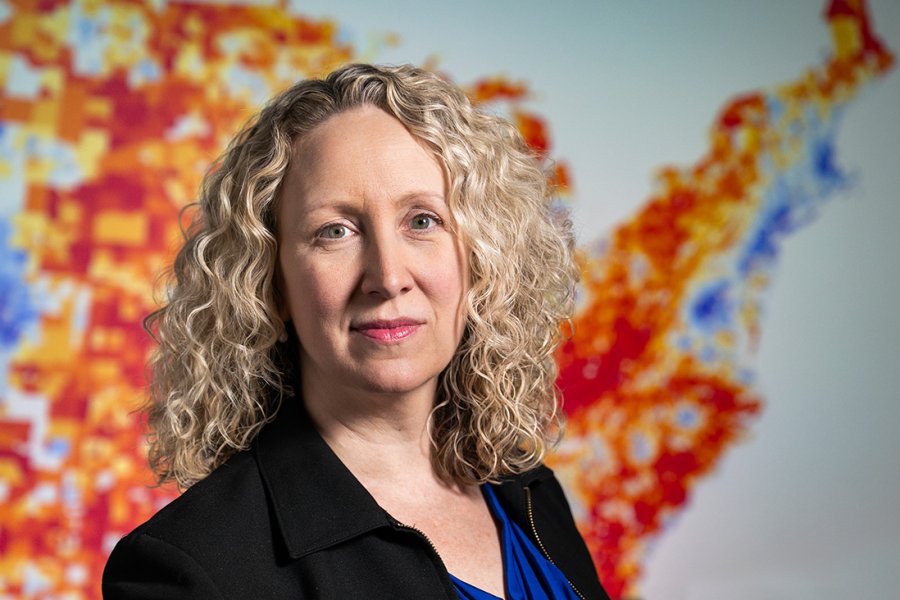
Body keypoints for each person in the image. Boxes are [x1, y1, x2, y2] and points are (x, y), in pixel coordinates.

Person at [102, 63, 609, 600]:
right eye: (335, 231)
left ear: (481, 259)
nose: (388, 278)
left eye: (422, 220)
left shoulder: (529, 494)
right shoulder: (191, 568)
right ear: (269, 285)